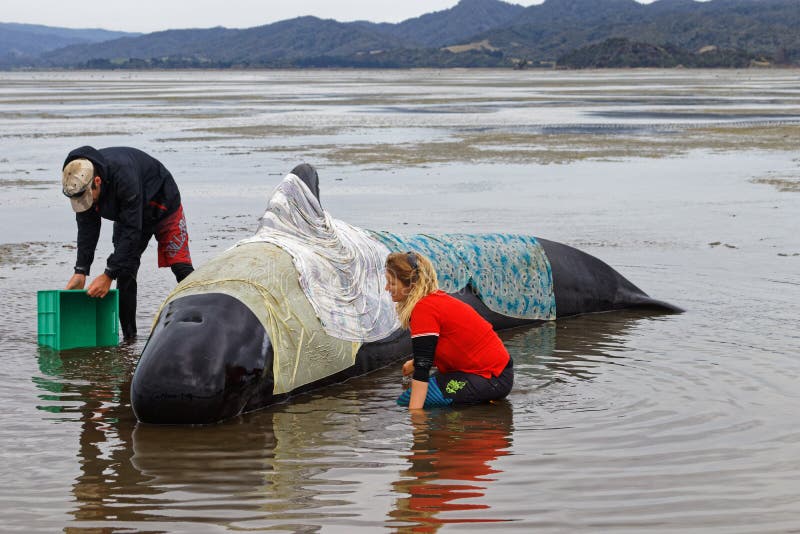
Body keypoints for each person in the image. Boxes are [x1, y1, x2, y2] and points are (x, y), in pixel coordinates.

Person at [61, 146, 194, 340]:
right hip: (128, 213)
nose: (84, 203)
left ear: (96, 182)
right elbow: (87, 230)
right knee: (126, 271)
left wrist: (108, 275)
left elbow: (133, 231)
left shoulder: (124, 176)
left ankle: (209, 316)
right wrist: (81, 270)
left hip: (162, 203)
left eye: (87, 197)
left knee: (181, 267)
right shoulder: (79, 185)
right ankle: (129, 340)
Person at [384, 251, 513, 410]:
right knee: (419, 391)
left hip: (493, 377)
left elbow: (423, 369)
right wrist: (414, 363)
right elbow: (438, 346)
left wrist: (416, 421)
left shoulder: (424, 309)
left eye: (392, 283)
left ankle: (478, 409)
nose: (386, 288)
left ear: (411, 285)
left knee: (408, 401)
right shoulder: (432, 300)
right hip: (490, 372)